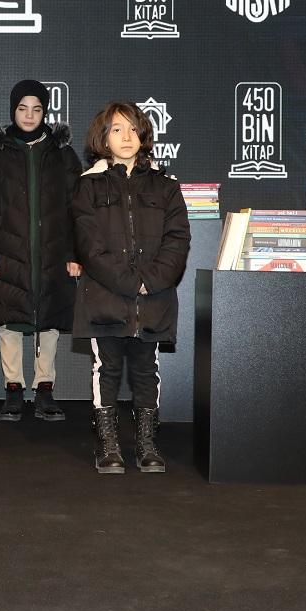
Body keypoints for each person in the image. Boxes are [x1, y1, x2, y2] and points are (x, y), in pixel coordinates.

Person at [70, 101, 190, 474]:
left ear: (143, 135)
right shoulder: (87, 185)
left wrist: (149, 281)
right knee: (105, 369)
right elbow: (88, 244)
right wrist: (129, 282)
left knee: (146, 370)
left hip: (152, 299)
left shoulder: (165, 185)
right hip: (105, 296)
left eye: (133, 129)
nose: (126, 136)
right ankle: (108, 445)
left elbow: (178, 239)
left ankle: (146, 443)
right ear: (102, 137)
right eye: (117, 129)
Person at [0, 80, 81, 422]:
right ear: (13, 110)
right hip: (7, 252)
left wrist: (76, 254)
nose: (29, 115)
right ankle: (13, 390)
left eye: (36, 109)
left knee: (49, 324)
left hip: (54, 254)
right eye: (22, 108)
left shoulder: (62, 154)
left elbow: (79, 208)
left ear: (45, 112)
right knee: (11, 323)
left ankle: (45, 389)